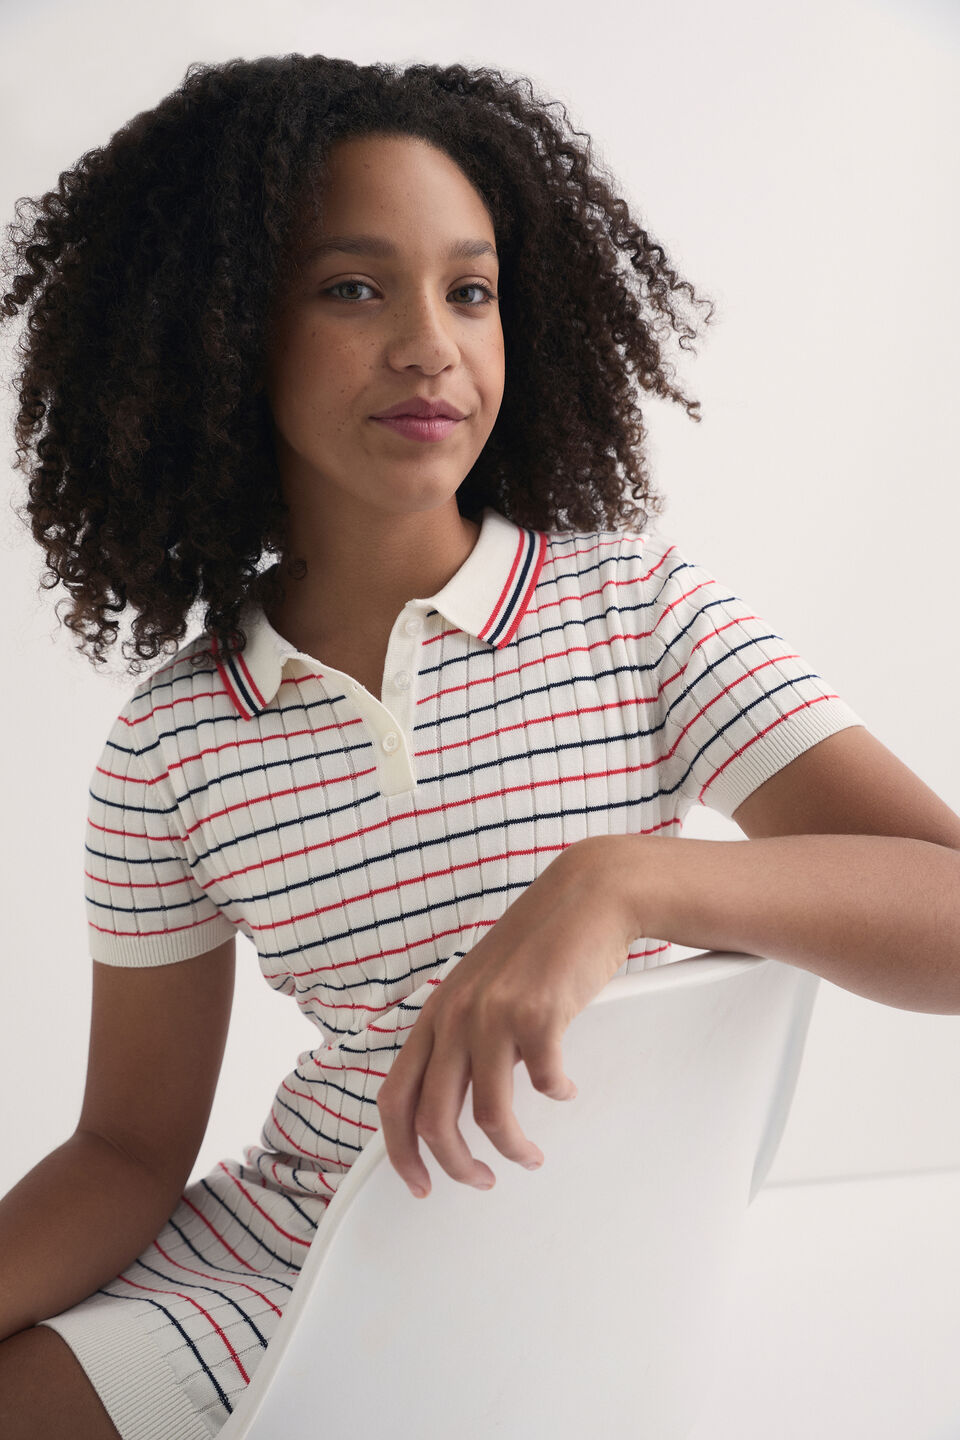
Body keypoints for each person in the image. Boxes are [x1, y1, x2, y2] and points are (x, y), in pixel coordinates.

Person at [4, 52, 957, 1440]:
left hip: (488, 1295)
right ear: (221, 333)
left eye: (470, 289)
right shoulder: (175, 741)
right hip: (265, 1264)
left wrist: (626, 881)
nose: (427, 345)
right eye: (352, 287)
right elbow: (127, 1150)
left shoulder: (638, 614)